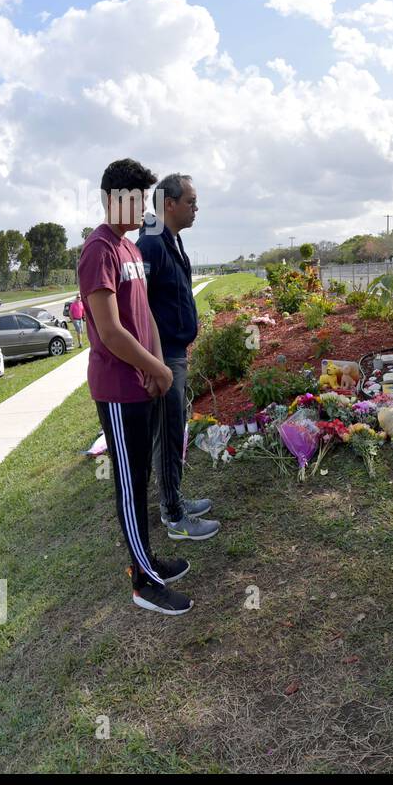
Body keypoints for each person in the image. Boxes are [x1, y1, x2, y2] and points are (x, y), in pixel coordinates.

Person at [79, 158, 192, 615]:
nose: (143, 206)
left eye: (145, 198)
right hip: (118, 388)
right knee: (129, 485)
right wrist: (157, 369)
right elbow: (109, 330)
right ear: (112, 199)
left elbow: (142, 318)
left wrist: (156, 362)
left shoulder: (129, 250)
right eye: (135, 198)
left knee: (140, 478)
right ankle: (143, 582)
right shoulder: (98, 250)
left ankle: (150, 561)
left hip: (142, 379)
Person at [137, 173, 220, 542]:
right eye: (190, 201)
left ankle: (176, 500)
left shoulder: (172, 239)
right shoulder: (151, 244)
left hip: (175, 352)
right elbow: (141, 306)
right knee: (169, 435)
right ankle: (174, 515)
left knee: (173, 431)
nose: (196, 208)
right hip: (165, 355)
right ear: (168, 204)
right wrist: (154, 361)